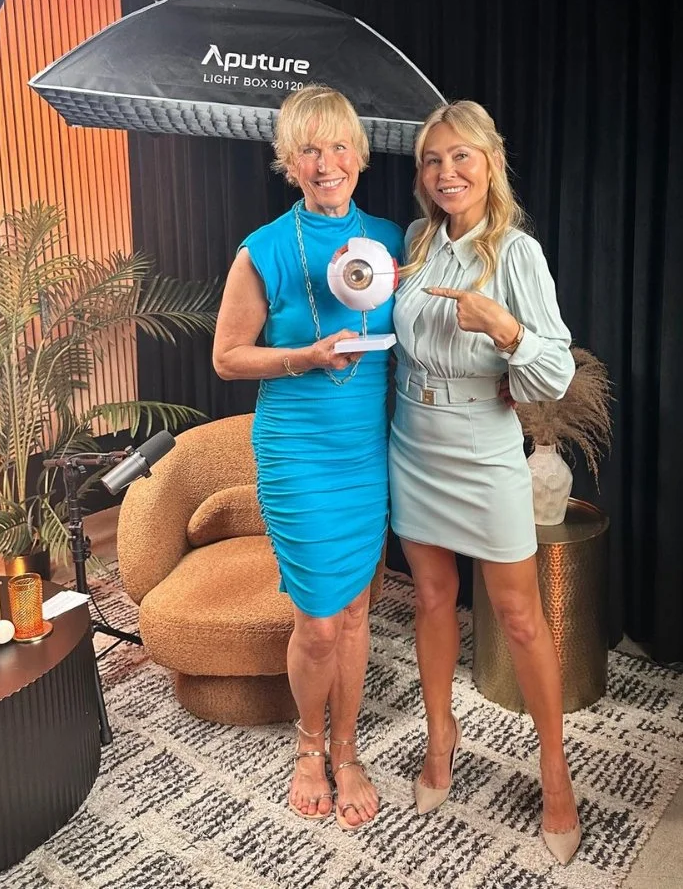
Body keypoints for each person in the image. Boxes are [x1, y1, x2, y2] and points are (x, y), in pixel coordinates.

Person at [390, 100, 582, 864]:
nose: (446, 173)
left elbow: (557, 370)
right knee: (433, 598)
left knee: (521, 617)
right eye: (433, 161)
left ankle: (555, 769)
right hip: (412, 438)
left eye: (461, 157)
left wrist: (505, 330)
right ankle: (442, 737)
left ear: (491, 163)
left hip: (483, 446)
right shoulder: (414, 242)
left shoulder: (518, 256)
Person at [212, 85, 403, 831]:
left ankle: (348, 748)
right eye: (309, 149)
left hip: (364, 452)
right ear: (289, 161)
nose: (327, 163)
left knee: (356, 611)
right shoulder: (264, 249)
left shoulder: (389, 238)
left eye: (338, 146)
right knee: (319, 620)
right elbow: (228, 358)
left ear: (359, 154)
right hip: (297, 451)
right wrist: (304, 358)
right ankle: (307, 741)